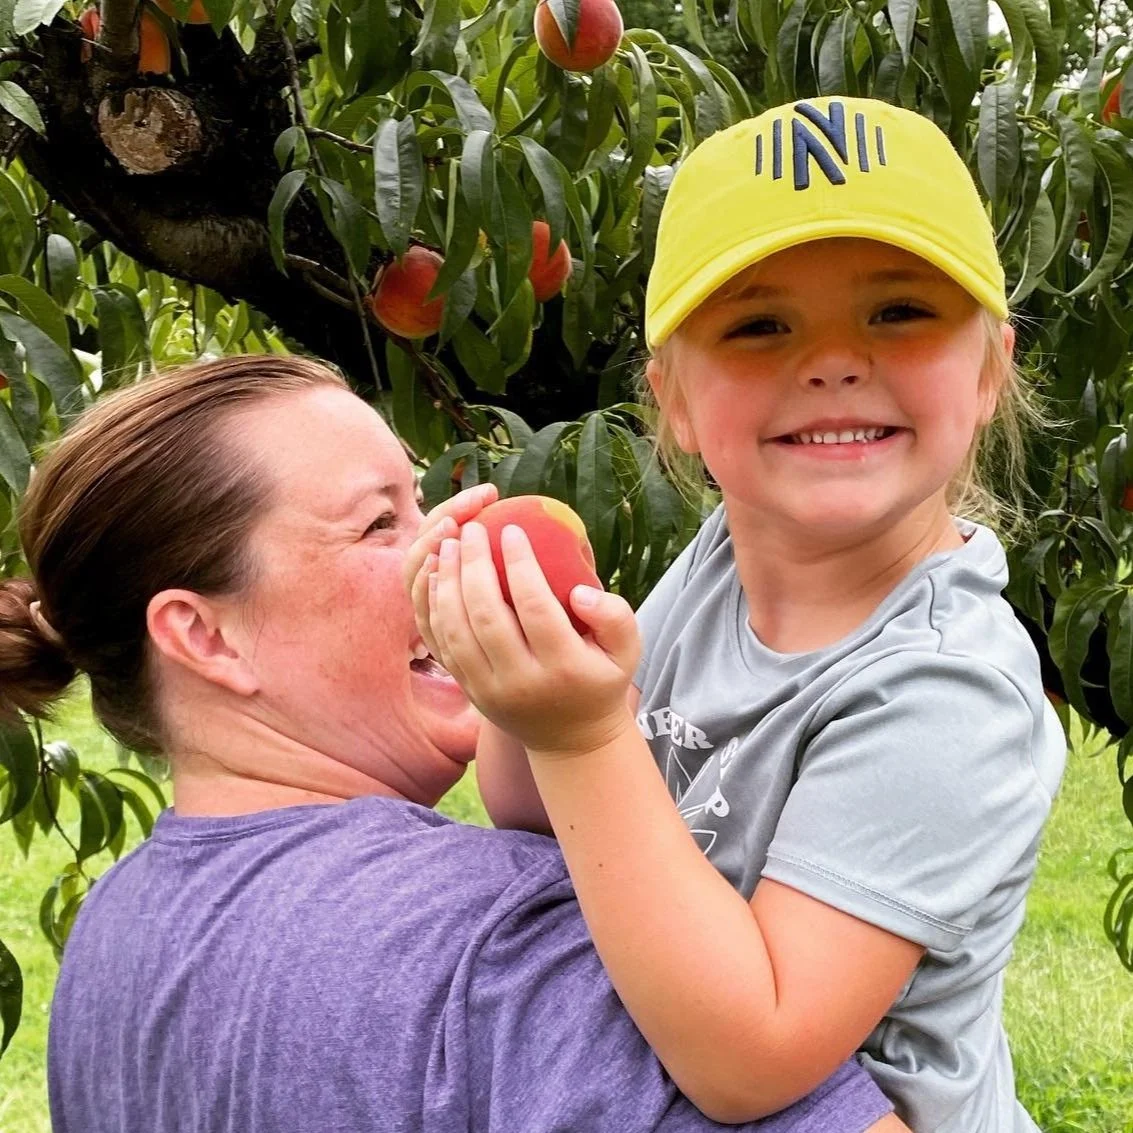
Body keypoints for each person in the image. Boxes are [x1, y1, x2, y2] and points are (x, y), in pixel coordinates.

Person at [0, 356, 905, 1133]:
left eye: (424, 500)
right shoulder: (515, 943)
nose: (452, 545)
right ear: (207, 638)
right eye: (379, 524)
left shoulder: (111, 938)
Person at [409, 97, 1068, 1132]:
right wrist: (521, 678)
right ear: (670, 397)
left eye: (897, 311)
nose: (833, 361)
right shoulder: (724, 553)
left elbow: (751, 1056)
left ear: (990, 368)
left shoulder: (948, 688)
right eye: (759, 324)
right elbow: (537, 811)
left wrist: (583, 732)